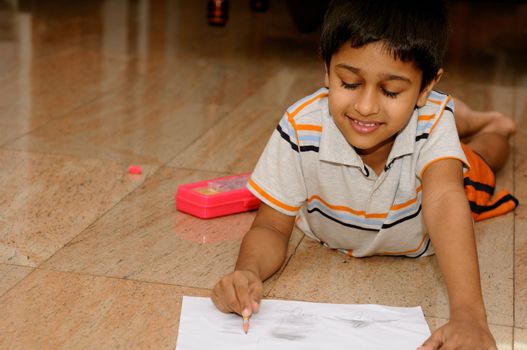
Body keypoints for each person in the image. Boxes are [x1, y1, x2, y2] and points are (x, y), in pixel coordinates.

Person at [211, 0, 518, 348]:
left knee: (483, 156)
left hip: (440, 171)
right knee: (421, 121)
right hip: (417, 120)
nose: (366, 106)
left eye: (390, 91)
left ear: (425, 86)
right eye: (349, 82)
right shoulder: (300, 126)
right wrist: (247, 272)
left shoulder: (431, 126)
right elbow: (270, 225)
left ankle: (494, 126)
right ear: (326, 71)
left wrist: (469, 316)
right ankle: (458, 113)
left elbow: (447, 201)